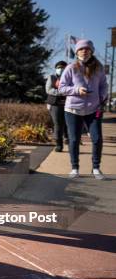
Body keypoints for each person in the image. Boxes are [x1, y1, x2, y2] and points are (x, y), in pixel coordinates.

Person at [58, 39, 108, 180]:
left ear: (91, 51)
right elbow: (61, 88)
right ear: (77, 52)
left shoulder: (99, 68)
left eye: (87, 49)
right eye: (81, 49)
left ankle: (96, 168)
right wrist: (76, 90)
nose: (84, 51)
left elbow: (104, 85)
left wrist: (102, 96)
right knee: (74, 140)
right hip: (73, 110)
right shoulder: (71, 68)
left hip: (94, 110)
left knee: (97, 139)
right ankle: (75, 168)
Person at [45, 61, 68, 152]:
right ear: (56, 68)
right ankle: (59, 144)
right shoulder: (52, 77)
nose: (61, 69)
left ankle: (67, 138)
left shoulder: (69, 78)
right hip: (55, 104)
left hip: (68, 104)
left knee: (67, 123)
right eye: (59, 67)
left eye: (63, 67)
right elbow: (48, 90)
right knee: (58, 124)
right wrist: (61, 92)